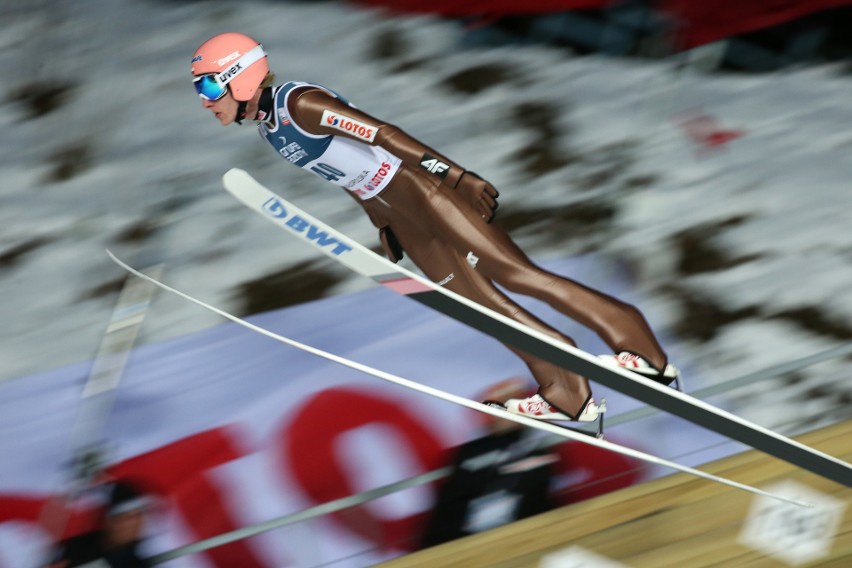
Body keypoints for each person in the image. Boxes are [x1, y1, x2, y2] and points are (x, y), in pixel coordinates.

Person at [189, 32, 679, 423]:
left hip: (425, 190)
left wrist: (455, 176)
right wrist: (382, 222)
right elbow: (344, 172)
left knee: (516, 274)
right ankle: (566, 392)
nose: (206, 101)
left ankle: (642, 351)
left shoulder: (300, 104)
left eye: (209, 87)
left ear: (241, 76)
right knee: (481, 307)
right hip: (397, 208)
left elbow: (383, 133)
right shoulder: (270, 127)